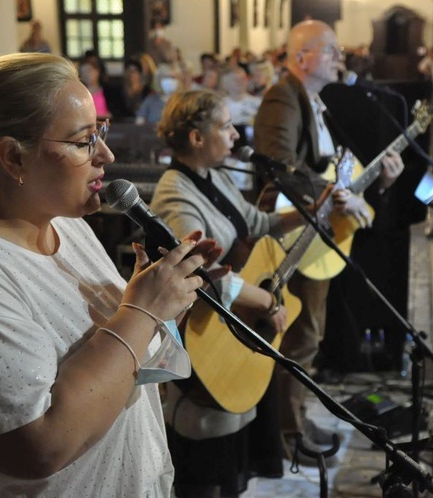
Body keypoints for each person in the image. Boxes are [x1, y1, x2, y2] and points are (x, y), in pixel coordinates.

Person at [0, 52, 222, 497]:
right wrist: (140, 312)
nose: (105, 155)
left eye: (100, 132)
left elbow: (119, 364)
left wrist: (164, 301)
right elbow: (40, 445)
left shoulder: (67, 227)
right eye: (83, 140)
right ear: (13, 157)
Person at [253, 20, 404, 456]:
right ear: (301, 58)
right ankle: (287, 435)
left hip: (313, 233)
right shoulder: (283, 96)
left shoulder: (316, 102)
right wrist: (335, 193)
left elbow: (328, 170)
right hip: (292, 237)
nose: (341, 57)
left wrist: (371, 183)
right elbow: (277, 166)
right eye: (330, 50)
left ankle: (294, 425)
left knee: (308, 337)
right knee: (301, 337)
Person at [150, 89, 309, 497]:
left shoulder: (214, 176)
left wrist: (315, 208)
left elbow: (257, 223)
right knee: (205, 454)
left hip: (232, 328)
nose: (236, 135)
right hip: (203, 334)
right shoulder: (174, 192)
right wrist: (267, 301)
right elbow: (199, 273)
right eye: (225, 126)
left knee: (236, 436)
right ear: (196, 138)